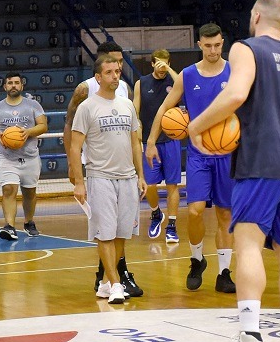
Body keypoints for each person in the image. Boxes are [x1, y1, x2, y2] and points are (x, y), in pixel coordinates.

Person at [192, 0, 280, 342]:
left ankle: (250, 339)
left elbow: (237, 94)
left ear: (256, 15)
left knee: (246, 244)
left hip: (262, 160)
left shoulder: (247, 48)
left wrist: (197, 125)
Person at [146, 24, 236, 294]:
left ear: (222, 43)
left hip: (228, 152)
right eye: (207, 45)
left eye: (217, 45)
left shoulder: (235, 72)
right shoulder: (188, 74)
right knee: (195, 211)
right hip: (198, 154)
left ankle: (224, 272)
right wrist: (151, 141)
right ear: (199, 44)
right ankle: (197, 259)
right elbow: (165, 108)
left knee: (225, 214)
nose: (212, 50)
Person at [63, 40, 142, 296]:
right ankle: (116, 284)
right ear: (98, 77)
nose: (115, 75)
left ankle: (108, 283)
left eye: (118, 70)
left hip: (128, 177)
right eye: (109, 72)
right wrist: (79, 181)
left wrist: (141, 175)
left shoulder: (127, 104)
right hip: (100, 177)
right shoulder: (87, 106)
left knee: (122, 234)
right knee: (105, 234)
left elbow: (134, 141)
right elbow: (75, 147)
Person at [0, 72, 48, 240]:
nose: (13, 85)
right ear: (5, 86)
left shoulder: (33, 105)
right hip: (7, 157)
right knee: (8, 189)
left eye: (16, 83)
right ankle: (9, 226)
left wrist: (28, 132)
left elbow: (43, 126)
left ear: (22, 86)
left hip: (30, 156)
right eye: (10, 83)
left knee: (30, 192)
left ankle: (29, 222)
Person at [132, 49, 181, 243]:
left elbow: (182, 85)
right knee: (149, 185)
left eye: (166, 63)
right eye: (159, 64)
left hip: (170, 140)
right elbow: (135, 110)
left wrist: (169, 69)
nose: (162, 67)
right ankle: (156, 213)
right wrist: (137, 132)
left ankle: (172, 226)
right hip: (149, 142)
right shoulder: (141, 83)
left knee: (172, 186)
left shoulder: (174, 81)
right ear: (152, 64)